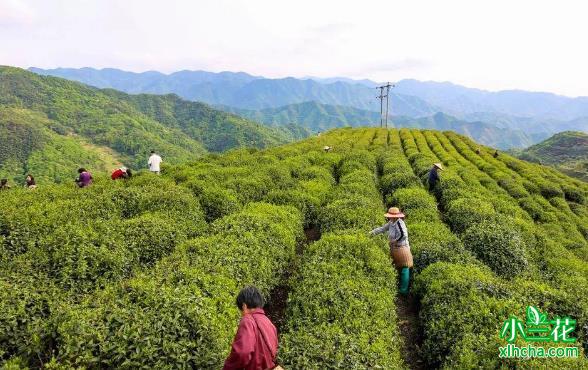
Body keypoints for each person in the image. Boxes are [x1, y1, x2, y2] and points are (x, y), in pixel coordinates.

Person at [223, 286, 279, 370]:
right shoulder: (268, 322)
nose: (241, 314)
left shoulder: (248, 320)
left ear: (244, 306)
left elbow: (242, 353)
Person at [370, 207, 413, 295]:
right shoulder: (391, 223)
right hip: (395, 248)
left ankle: (403, 290)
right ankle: (397, 285)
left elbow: (403, 235)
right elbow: (382, 229)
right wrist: (371, 233)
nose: (389, 217)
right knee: (397, 267)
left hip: (402, 248)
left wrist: (395, 241)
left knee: (405, 267)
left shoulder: (400, 223)